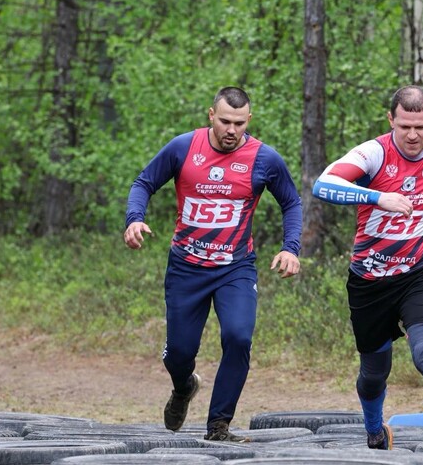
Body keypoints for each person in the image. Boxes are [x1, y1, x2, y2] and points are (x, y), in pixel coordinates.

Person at [313, 85, 423, 455]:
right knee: (374, 373)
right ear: (391, 120)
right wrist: (377, 196)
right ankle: (375, 431)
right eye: (405, 126)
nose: (412, 135)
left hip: (421, 274)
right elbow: (323, 184)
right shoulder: (374, 154)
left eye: (421, 127)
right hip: (370, 281)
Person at [124, 86, 302, 442]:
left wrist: (291, 248)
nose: (231, 130)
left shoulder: (264, 159)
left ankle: (218, 425)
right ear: (211, 115)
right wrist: (134, 218)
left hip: (234, 268)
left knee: (238, 337)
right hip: (186, 268)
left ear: (248, 120)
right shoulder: (183, 147)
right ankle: (184, 386)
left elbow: (292, 203)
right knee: (178, 355)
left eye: (238, 122)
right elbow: (143, 182)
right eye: (224, 121)